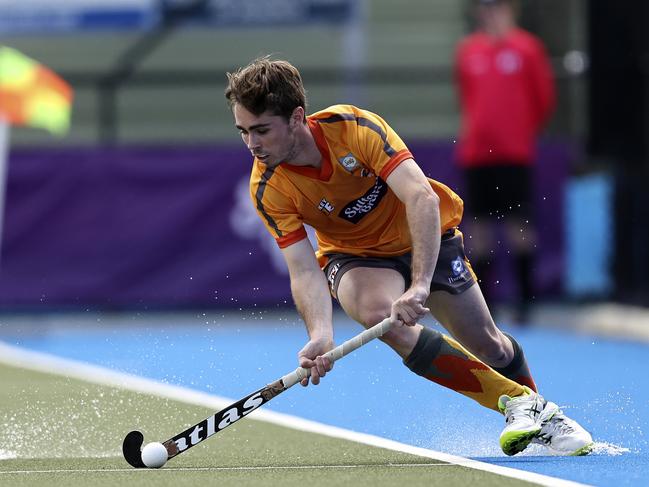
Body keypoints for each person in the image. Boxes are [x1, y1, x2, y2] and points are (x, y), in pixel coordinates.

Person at [224, 56, 591, 456]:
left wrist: (419, 285)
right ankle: (518, 403)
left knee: (490, 347)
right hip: (356, 257)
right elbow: (302, 270)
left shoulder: (354, 128)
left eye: (261, 130)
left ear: (297, 118)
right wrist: (320, 333)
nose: (252, 144)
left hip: (423, 238)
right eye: (243, 131)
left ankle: (540, 414)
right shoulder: (267, 187)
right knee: (379, 314)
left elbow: (420, 196)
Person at [454, 0, 556, 324]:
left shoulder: (528, 49)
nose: (491, 13)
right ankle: (486, 308)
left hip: (514, 155)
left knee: (519, 226)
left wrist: (518, 133)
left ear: (511, 9)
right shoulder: (468, 51)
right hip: (476, 155)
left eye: (497, 6)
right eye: (485, 7)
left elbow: (544, 100)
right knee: (479, 230)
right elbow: (467, 97)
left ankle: (526, 302)